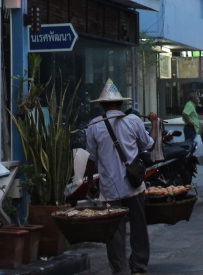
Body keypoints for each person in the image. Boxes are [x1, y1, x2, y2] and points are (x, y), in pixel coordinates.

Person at [85, 79, 155, 275]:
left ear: (102, 105)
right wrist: (155, 123)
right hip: (134, 184)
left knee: (114, 232)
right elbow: (149, 145)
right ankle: (139, 266)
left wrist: (91, 182)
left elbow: (91, 159)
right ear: (121, 103)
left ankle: (120, 270)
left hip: (109, 188)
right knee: (139, 227)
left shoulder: (94, 126)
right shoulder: (133, 121)